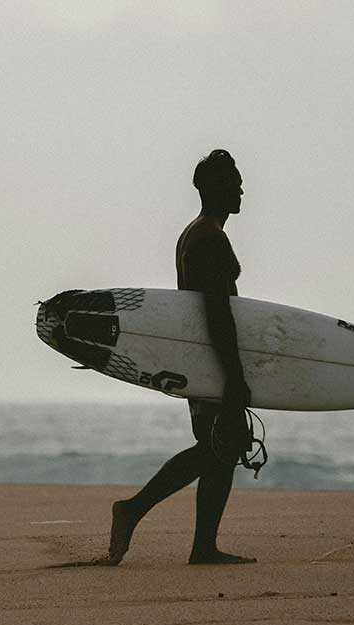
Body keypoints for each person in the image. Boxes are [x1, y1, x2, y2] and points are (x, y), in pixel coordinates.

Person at [98, 149, 255, 566]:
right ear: (210, 188)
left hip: (198, 357)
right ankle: (133, 509)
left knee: (218, 448)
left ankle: (204, 545)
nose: (241, 188)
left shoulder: (196, 233)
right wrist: (233, 374)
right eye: (232, 182)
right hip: (209, 359)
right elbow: (216, 313)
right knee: (222, 444)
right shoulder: (209, 238)